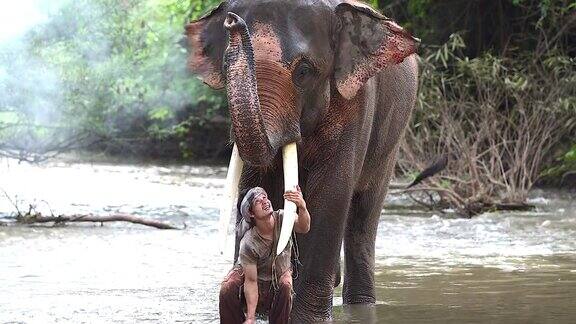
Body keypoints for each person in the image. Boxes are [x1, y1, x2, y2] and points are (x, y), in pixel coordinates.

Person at [219, 186, 310, 324]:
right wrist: (250, 317)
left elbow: (304, 227)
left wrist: (302, 206)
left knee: (286, 284)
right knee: (227, 286)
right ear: (251, 213)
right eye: (257, 201)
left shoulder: (283, 217)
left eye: (265, 197)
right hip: (251, 274)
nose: (264, 201)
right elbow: (251, 281)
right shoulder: (249, 242)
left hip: (279, 272)